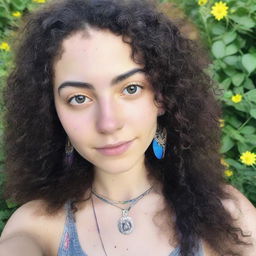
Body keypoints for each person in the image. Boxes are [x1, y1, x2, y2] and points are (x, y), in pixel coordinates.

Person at [0, 0, 255, 255]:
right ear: (51, 110)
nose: (108, 123)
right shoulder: (34, 228)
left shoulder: (228, 216)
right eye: (79, 98)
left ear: (162, 97)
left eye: (131, 89)